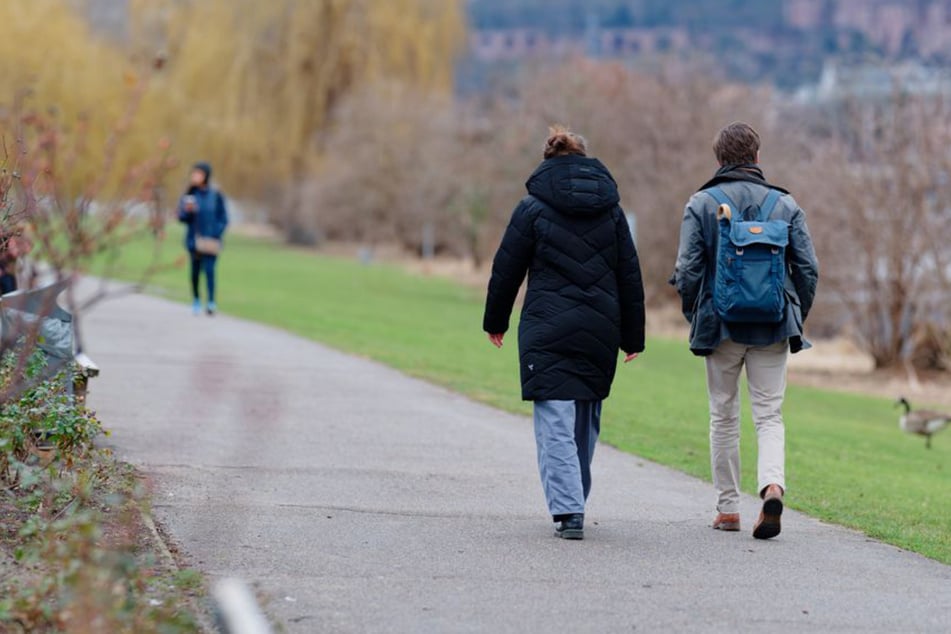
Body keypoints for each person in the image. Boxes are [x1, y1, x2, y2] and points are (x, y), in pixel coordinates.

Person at [483, 126, 645, 540]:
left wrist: (496, 321)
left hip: (546, 325)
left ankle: (569, 509)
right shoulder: (612, 212)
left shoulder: (532, 208)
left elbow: (506, 269)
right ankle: (574, 502)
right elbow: (629, 275)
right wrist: (633, 337)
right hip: (600, 327)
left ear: (548, 161)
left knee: (554, 416)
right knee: (585, 418)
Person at [672, 122, 819, 539]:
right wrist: (794, 313)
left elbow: (687, 270)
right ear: (757, 157)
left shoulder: (702, 203)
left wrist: (695, 315)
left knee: (723, 414)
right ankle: (772, 487)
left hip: (721, 327)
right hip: (773, 325)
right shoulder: (785, 205)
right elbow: (808, 269)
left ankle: (728, 510)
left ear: (719, 159)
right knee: (769, 415)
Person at [178, 162, 228, 315]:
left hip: (211, 241)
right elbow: (182, 217)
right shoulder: (190, 195)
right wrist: (188, 212)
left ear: (205, 176)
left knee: (210, 271)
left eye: (198, 173)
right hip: (194, 240)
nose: (195, 176)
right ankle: (196, 300)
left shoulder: (216, 195)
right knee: (195, 272)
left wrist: (216, 233)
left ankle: (211, 302)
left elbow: (223, 218)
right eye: (194, 173)